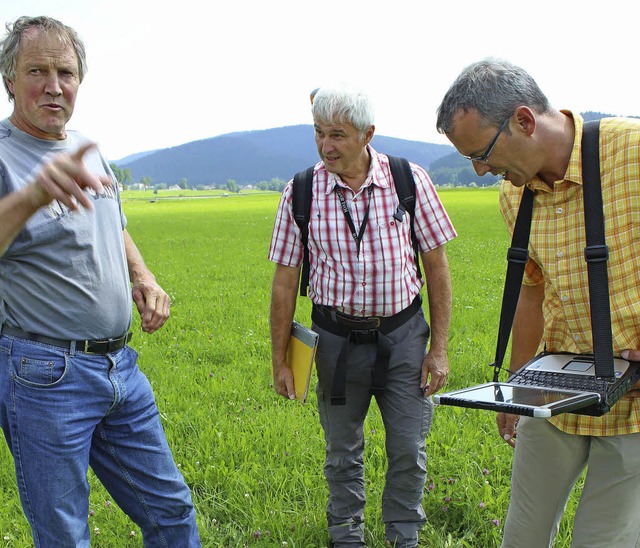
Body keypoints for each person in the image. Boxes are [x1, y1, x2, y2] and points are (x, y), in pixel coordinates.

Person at [0, 16, 200, 547]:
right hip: (44, 375)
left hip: (120, 368)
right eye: (36, 70)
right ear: (9, 81)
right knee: (65, 535)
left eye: (65, 71)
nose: (53, 84)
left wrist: (143, 274)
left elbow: (115, 223)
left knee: (172, 512)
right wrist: (32, 196)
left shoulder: (88, 147)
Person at [436, 57, 640, 548]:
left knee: (602, 540)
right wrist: (517, 386)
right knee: (522, 536)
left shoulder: (631, 152)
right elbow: (531, 290)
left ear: (524, 121)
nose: (482, 171)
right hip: (554, 391)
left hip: (635, 401)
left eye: (481, 153)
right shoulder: (515, 194)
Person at [268, 85, 456, 547]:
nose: (325, 146)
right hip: (334, 344)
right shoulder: (302, 191)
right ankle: (346, 536)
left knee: (408, 447)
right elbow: (285, 282)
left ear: (367, 134)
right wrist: (279, 360)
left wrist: (440, 349)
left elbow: (436, 266)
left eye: (337, 135)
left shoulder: (408, 180)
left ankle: (403, 537)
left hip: (403, 337)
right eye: (318, 133)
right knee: (341, 451)